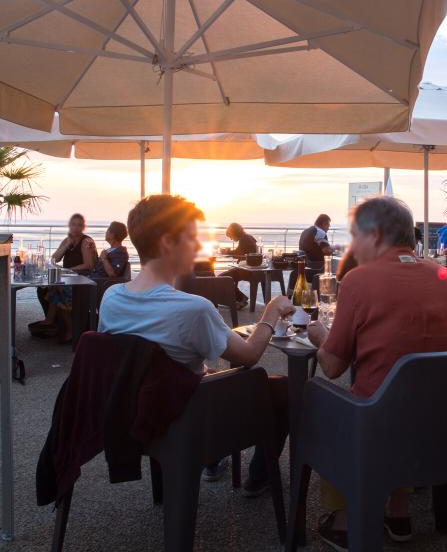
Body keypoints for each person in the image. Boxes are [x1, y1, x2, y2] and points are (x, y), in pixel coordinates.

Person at [98, 194, 295, 495]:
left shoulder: (112, 297)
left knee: (208, 375)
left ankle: (214, 462)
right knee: (284, 390)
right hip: (185, 417)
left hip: (136, 411)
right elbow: (249, 356)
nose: (199, 247)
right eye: (192, 238)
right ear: (167, 242)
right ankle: (258, 477)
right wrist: (271, 311)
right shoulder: (194, 309)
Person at [307, 197, 447, 548]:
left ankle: (346, 520)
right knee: (402, 395)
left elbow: (332, 367)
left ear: (374, 234)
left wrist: (319, 335)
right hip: (444, 416)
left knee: (325, 400)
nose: (351, 246)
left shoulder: (359, 280)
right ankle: (399, 510)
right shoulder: (444, 277)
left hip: (379, 423)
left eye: (354, 236)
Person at [31, 213, 98, 341]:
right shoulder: (67, 240)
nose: (76, 228)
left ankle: (65, 328)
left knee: (57, 290)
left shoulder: (86, 241)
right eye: (73, 224)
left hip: (82, 280)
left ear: (83, 227)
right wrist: (67, 244)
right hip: (69, 278)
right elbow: (54, 259)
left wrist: (67, 270)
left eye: (79, 225)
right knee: (47, 288)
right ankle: (55, 322)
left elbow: (88, 265)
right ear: (69, 226)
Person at [218, 223, 259, 309]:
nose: (231, 239)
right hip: (248, 268)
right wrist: (229, 251)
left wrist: (227, 252)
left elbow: (240, 254)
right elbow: (240, 252)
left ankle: (241, 298)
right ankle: (237, 299)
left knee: (222, 277)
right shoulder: (247, 238)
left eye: (231, 236)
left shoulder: (244, 239)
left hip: (246, 270)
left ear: (234, 233)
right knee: (226, 277)